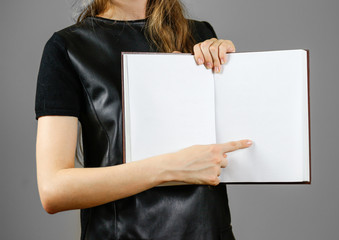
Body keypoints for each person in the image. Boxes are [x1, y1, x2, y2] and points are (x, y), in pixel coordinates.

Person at [35, 0, 253, 239]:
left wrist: (231, 69)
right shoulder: (68, 47)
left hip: (208, 231)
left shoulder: (200, 35)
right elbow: (54, 189)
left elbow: (236, 146)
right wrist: (171, 167)